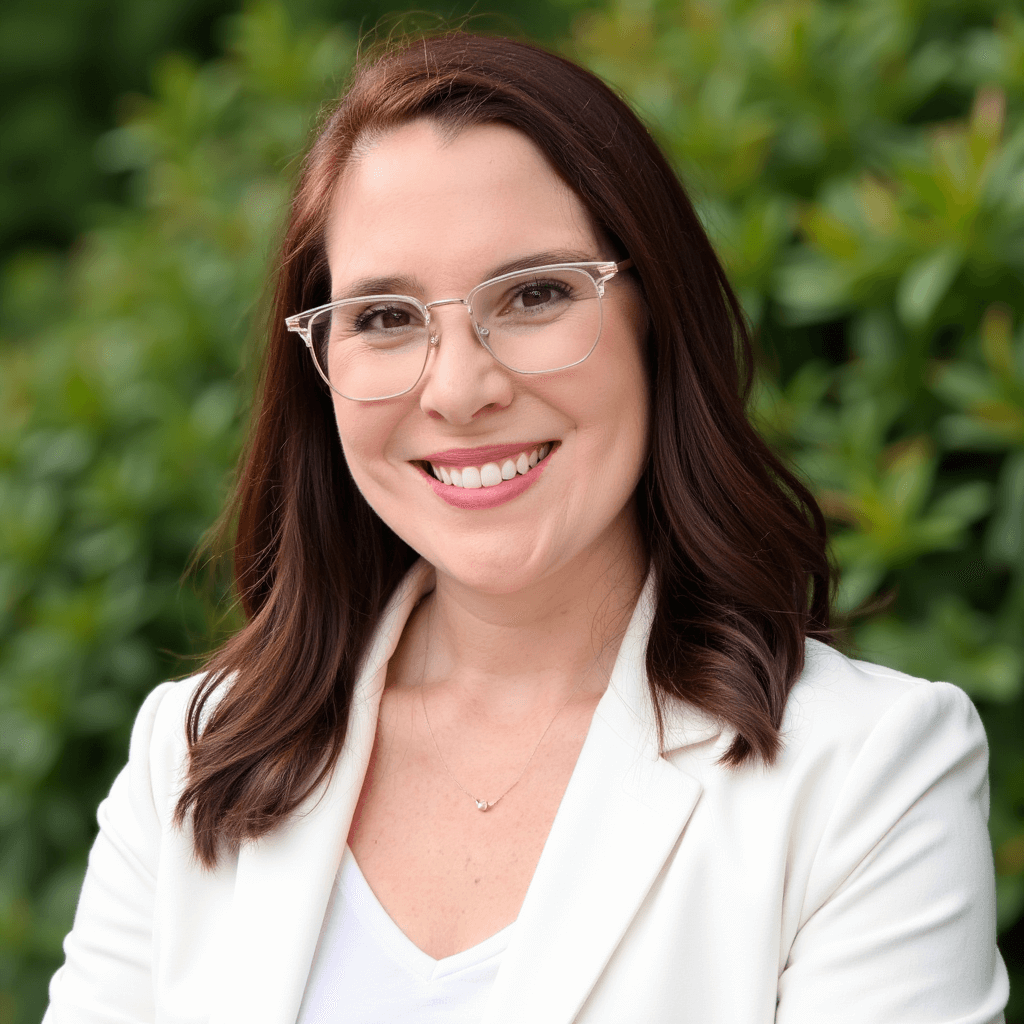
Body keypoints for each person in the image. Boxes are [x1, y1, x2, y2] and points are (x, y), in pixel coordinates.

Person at [43, 31, 1008, 1024]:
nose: (460, 389)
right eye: (383, 316)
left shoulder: (867, 772)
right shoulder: (192, 755)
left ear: (653, 317)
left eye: (536, 294)